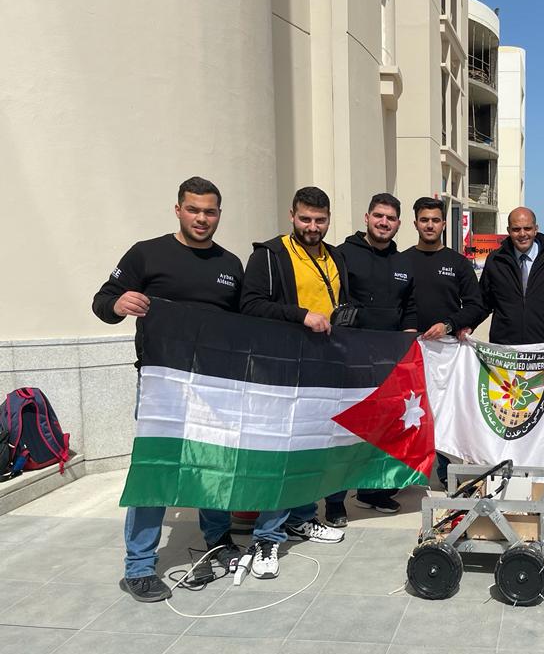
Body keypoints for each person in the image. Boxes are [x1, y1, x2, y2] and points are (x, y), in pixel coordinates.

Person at [92, 176, 244, 602]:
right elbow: (103, 301)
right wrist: (119, 304)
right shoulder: (147, 253)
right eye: (193, 209)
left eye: (209, 211)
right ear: (178, 210)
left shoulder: (231, 264)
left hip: (214, 384)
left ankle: (218, 539)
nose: (201, 218)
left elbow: (244, 324)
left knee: (213, 465)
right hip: (162, 384)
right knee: (155, 471)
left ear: (219, 214)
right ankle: (139, 567)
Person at [238, 186, 349, 576]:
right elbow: (250, 305)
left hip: (324, 369)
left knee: (312, 450)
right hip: (283, 372)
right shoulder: (269, 255)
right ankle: (267, 537)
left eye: (320, 220)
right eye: (305, 219)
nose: (312, 227)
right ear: (291, 216)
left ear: (329, 219)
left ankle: (301, 517)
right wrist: (301, 315)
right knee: (282, 454)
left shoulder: (334, 256)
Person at [340, 192, 418, 513]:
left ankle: (373, 490)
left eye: (390, 218)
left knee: (383, 427)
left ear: (398, 224)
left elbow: (409, 307)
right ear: (367, 218)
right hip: (351, 357)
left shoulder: (403, 263)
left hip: (389, 359)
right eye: (378, 216)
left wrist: (408, 344)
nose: (384, 222)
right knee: (347, 428)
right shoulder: (343, 254)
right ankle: (336, 499)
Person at [403, 196, 487, 484]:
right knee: (410, 413)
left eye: (435, 220)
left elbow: (475, 305)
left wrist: (451, 324)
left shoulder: (458, 263)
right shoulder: (402, 261)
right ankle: (403, 475)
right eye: (424, 220)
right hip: (410, 352)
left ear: (443, 224)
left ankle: (446, 473)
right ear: (415, 223)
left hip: (447, 355)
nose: (430, 225)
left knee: (447, 414)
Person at [479, 206, 544, 345]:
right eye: (516, 229)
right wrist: (467, 325)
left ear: (536, 229)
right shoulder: (495, 260)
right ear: (508, 231)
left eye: (527, 228)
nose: (522, 234)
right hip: (505, 349)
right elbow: (482, 302)